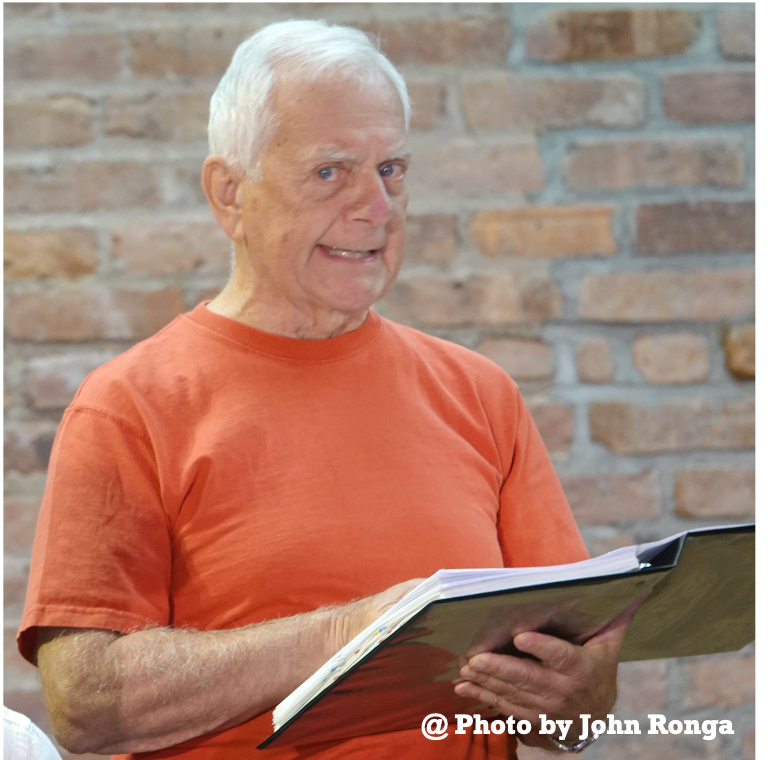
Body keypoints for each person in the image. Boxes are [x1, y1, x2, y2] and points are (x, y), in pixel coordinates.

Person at [18, 20, 634, 760]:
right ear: (229, 195)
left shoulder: (481, 394)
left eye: (391, 169)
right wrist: (358, 630)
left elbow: (572, 706)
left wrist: (578, 700)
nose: (376, 205)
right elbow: (85, 705)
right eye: (329, 172)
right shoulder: (129, 407)